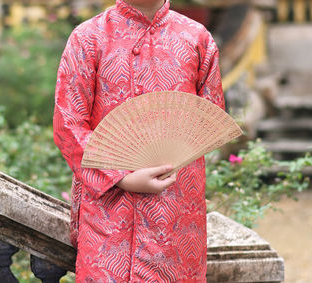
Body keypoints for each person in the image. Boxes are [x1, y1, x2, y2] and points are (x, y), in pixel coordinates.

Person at [53, 0, 224, 281]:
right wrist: (121, 176)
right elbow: (68, 124)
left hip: (175, 210)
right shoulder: (88, 37)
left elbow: (209, 121)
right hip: (109, 209)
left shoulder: (197, 38)